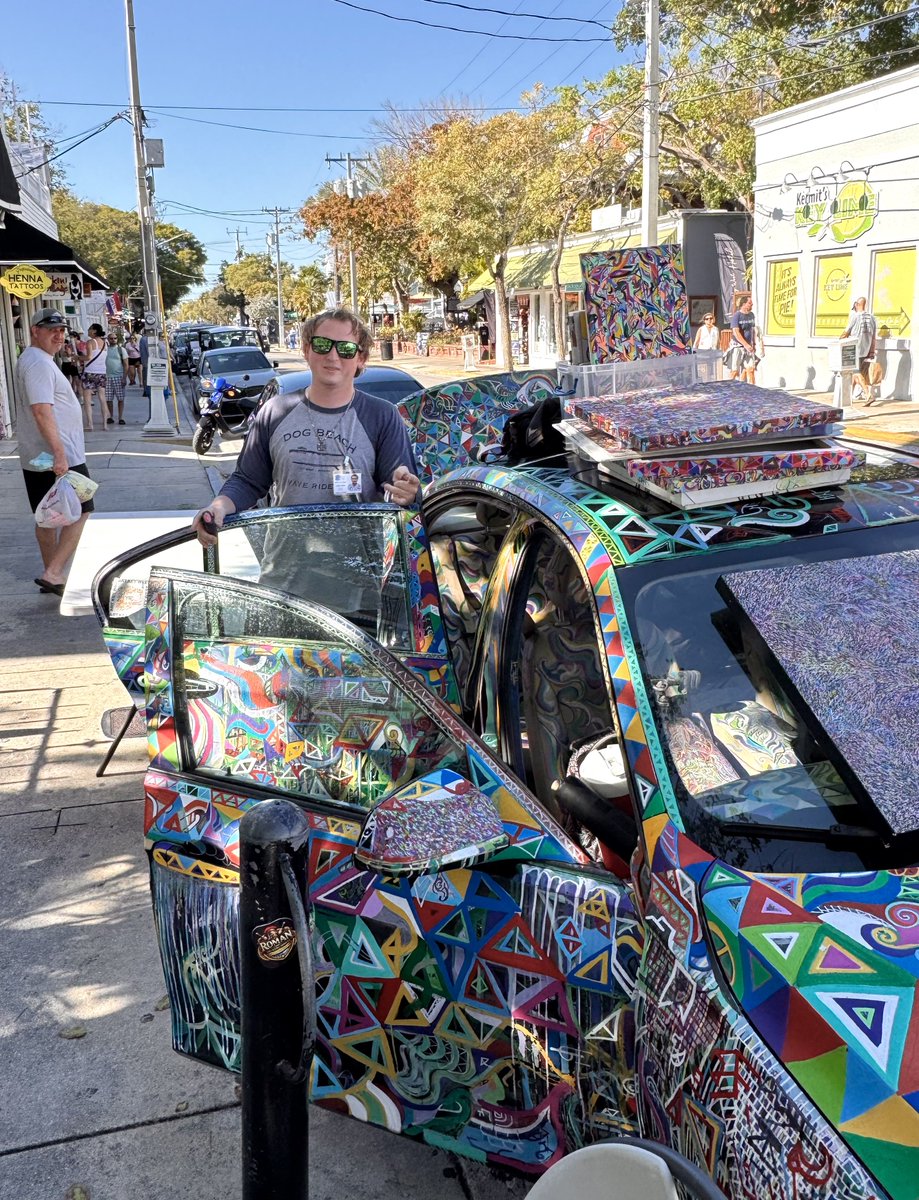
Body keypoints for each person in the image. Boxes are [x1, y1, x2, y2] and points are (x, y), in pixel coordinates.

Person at [191, 308, 421, 605]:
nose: (333, 356)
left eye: (347, 348)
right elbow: (248, 480)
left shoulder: (382, 416)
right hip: (285, 581)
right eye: (322, 345)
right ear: (306, 350)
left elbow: (399, 493)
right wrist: (218, 507)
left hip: (361, 588)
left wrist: (407, 493)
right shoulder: (275, 411)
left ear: (361, 359)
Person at [15, 308, 94, 597]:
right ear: (34, 331)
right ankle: (54, 571)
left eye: (61, 329)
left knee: (46, 515)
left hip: (40, 455)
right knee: (84, 510)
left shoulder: (36, 359)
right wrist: (60, 454)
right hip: (59, 456)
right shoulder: (37, 362)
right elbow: (41, 410)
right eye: (51, 329)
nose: (58, 334)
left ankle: (53, 576)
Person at [842, 296, 878, 403]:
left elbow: (846, 333)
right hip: (865, 349)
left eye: (854, 307)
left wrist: (838, 341)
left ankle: (868, 394)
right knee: (855, 372)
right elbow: (873, 337)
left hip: (854, 348)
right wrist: (871, 351)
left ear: (857, 305)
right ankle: (847, 397)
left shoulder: (855, 316)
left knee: (856, 372)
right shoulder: (872, 317)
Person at [80, 322, 111, 428]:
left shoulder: (90, 342)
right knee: (102, 398)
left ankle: (90, 424)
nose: (88, 331)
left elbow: (88, 357)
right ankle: (105, 424)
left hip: (90, 372)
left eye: (89, 329)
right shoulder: (105, 343)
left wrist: (77, 357)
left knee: (87, 399)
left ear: (94, 331)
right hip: (102, 372)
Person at [728, 298, 763, 384]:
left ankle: (752, 390)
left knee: (750, 369)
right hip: (738, 346)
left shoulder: (751, 315)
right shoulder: (737, 316)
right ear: (743, 304)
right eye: (750, 303)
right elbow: (736, 332)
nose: (752, 305)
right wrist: (745, 345)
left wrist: (753, 344)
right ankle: (728, 388)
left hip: (748, 346)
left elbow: (752, 330)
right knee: (735, 371)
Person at [105, 332, 129, 425]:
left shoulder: (121, 350)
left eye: (115, 338)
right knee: (108, 399)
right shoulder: (105, 350)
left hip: (118, 376)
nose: (113, 340)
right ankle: (110, 416)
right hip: (107, 377)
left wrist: (124, 377)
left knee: (120, 398)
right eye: (111, 338)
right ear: (108, 339)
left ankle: (120, 417)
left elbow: (126, 364)